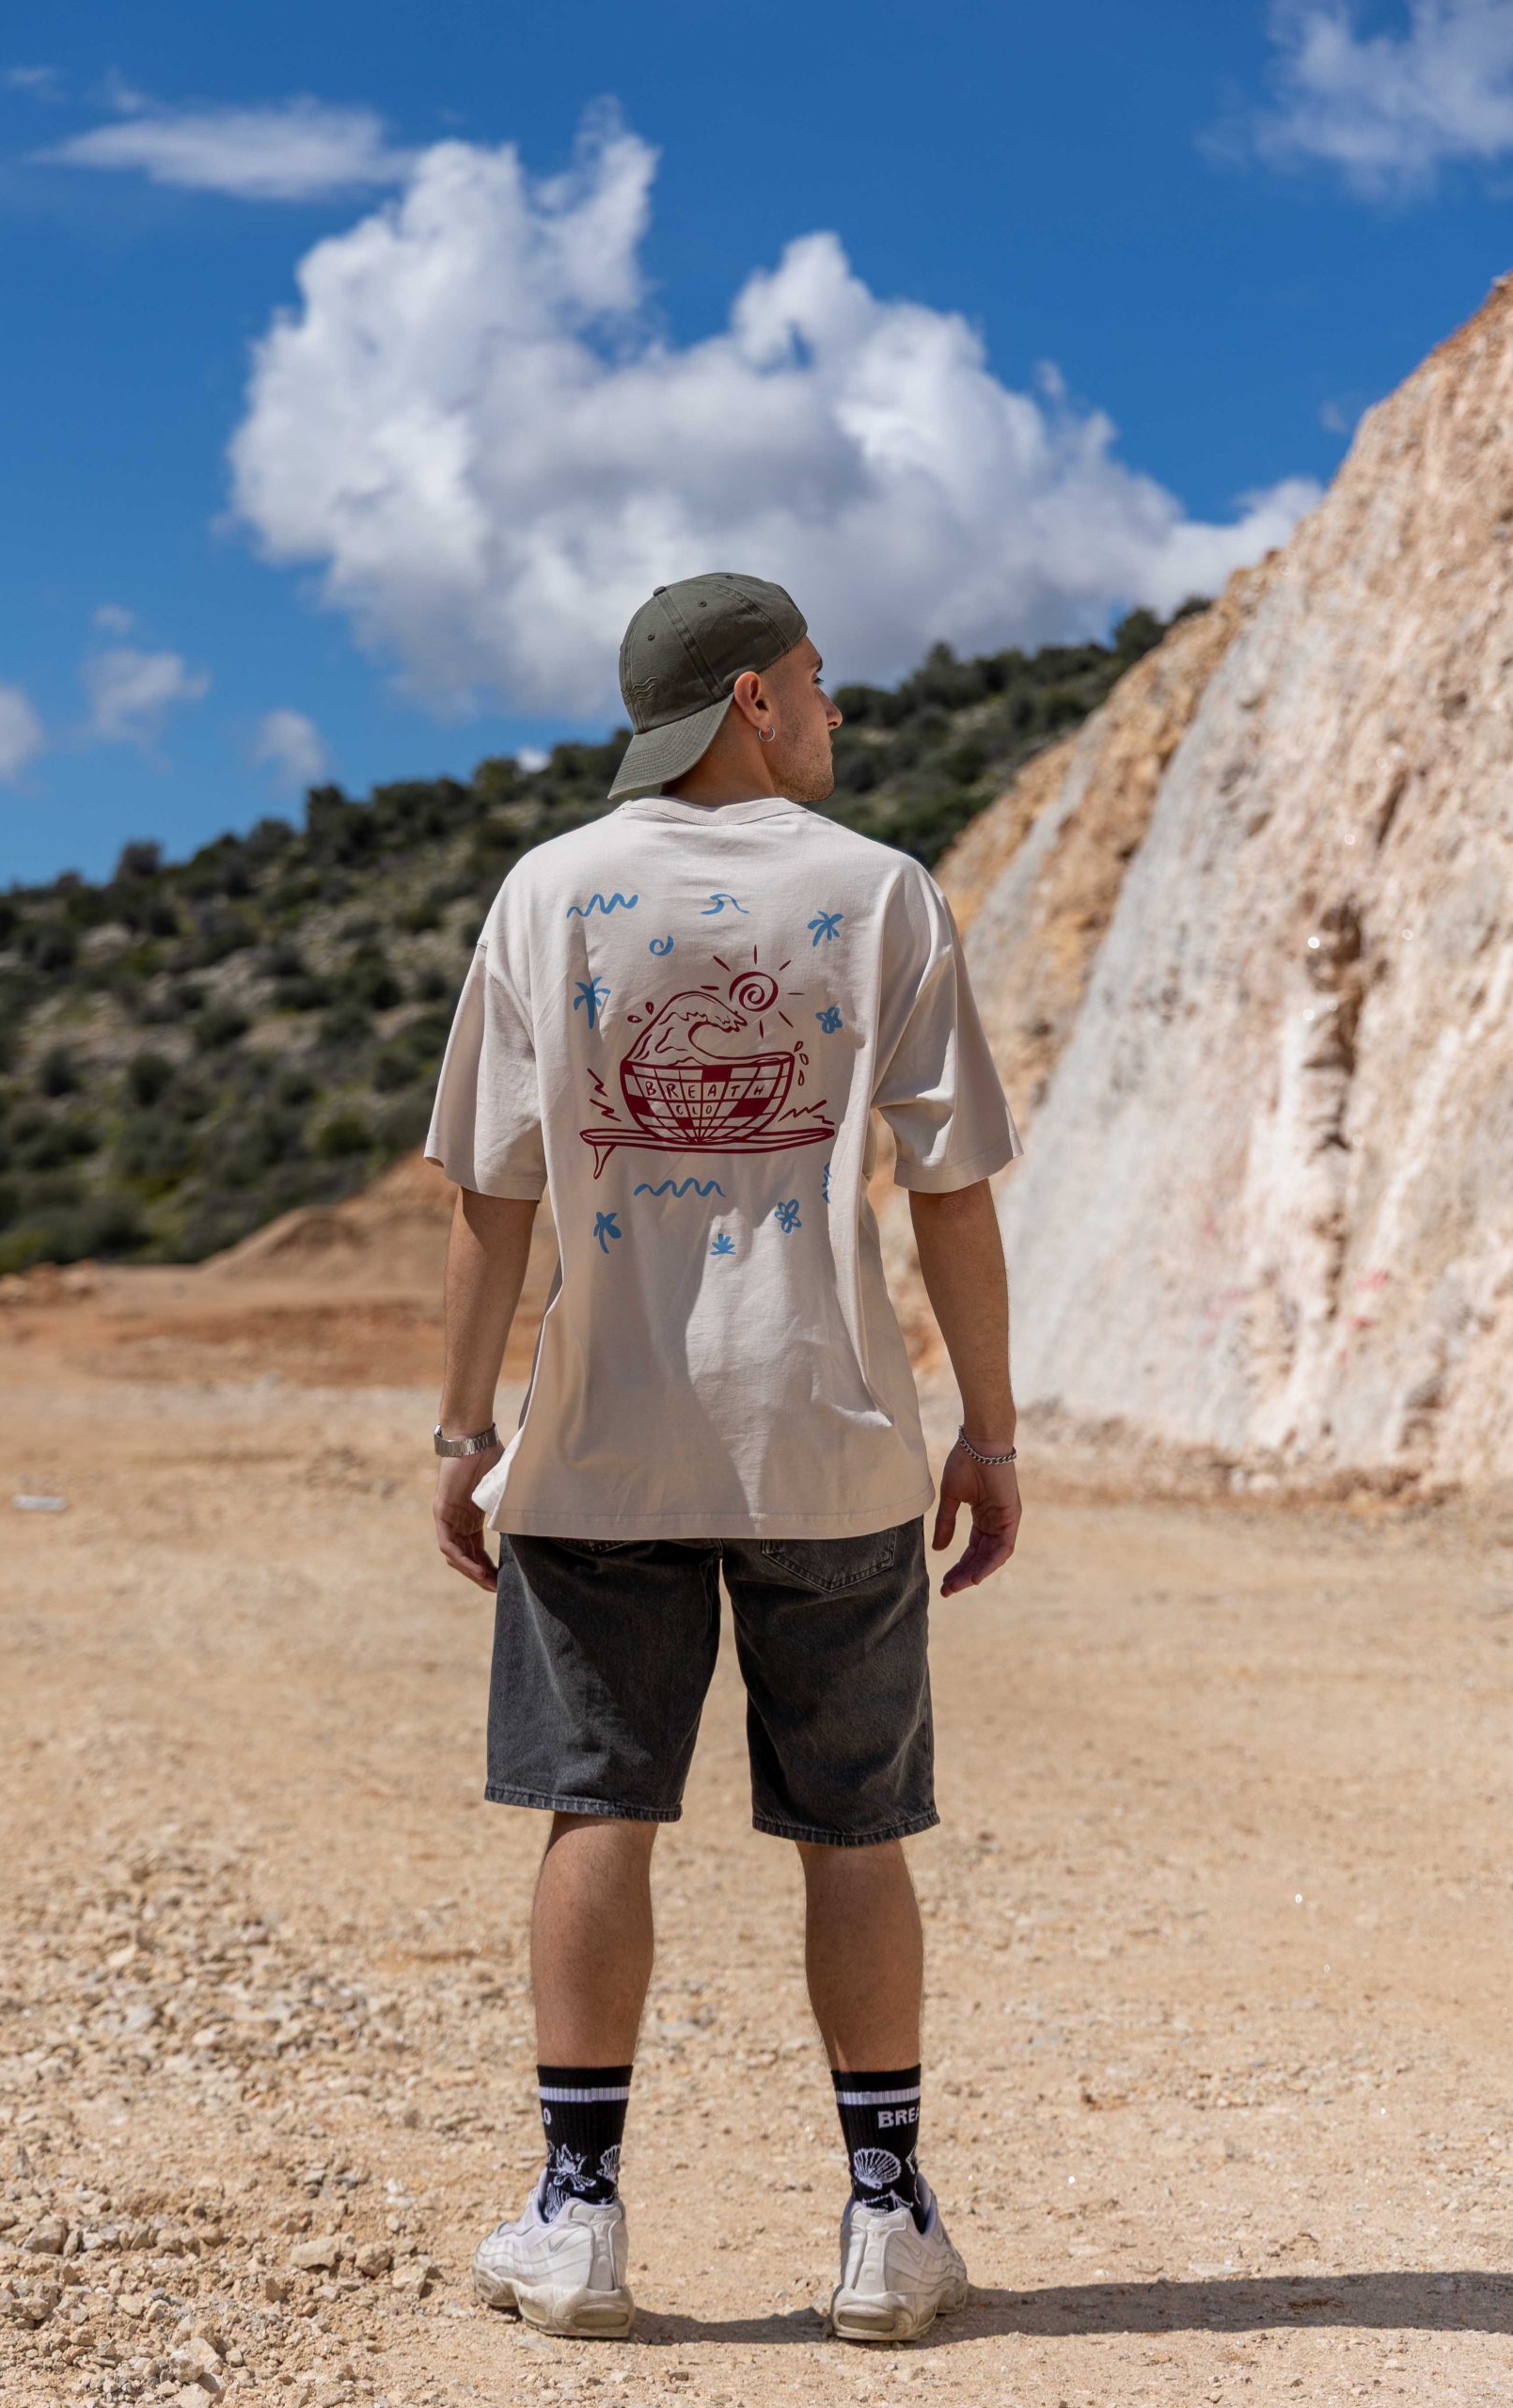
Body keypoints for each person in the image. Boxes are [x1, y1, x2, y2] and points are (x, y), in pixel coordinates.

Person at [426, 570, 1023, 2345]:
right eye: (819, 680)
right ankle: (885, 2225)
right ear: (753, 697)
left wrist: (462, 1430)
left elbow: (492, 1196)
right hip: (828, 1444)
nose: (837, 708)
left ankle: (579, 2219)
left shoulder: (548, 893)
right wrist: (990, 1431)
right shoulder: (882, 892)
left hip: (601, 1444)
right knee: (857, 1829)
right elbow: (951, 1190)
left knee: (596, 1809)